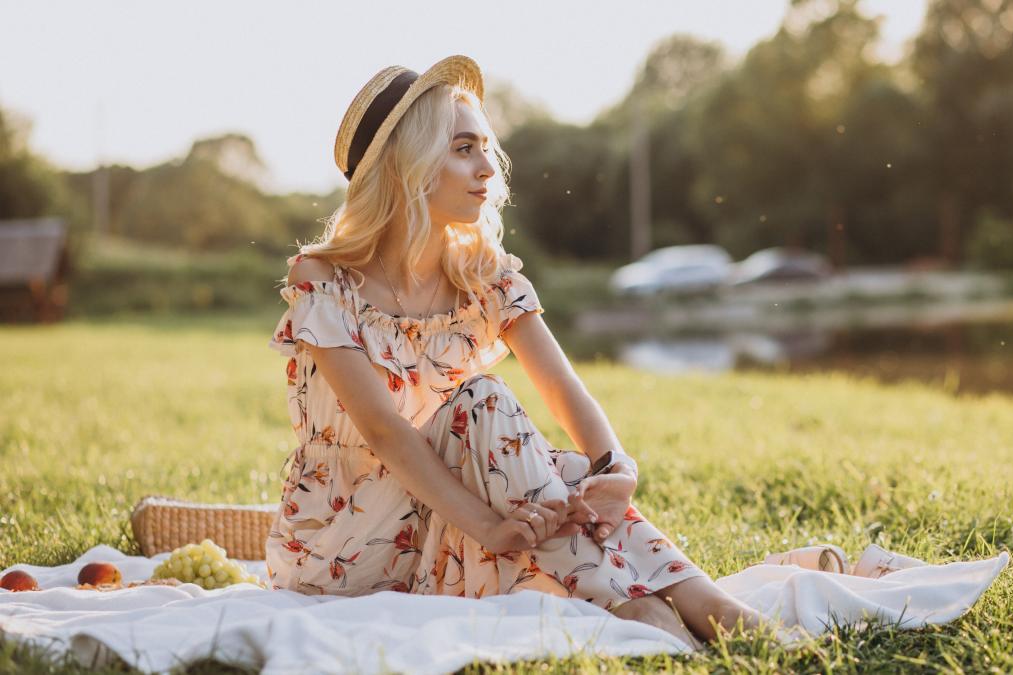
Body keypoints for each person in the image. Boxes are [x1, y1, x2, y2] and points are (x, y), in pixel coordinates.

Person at [264, 56, 876, 647]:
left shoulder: (483, 275)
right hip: (348, 550)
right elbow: (386, 432)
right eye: (463, 148)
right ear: (408, 165)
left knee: (568, 472)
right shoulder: (325, 282)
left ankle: (698, 604)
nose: (488, 168)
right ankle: (646, 606)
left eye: (485, 147)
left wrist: (617, 471)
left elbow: (563, 388)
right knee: (482, 400)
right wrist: (491, 527)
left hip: (451, 524)